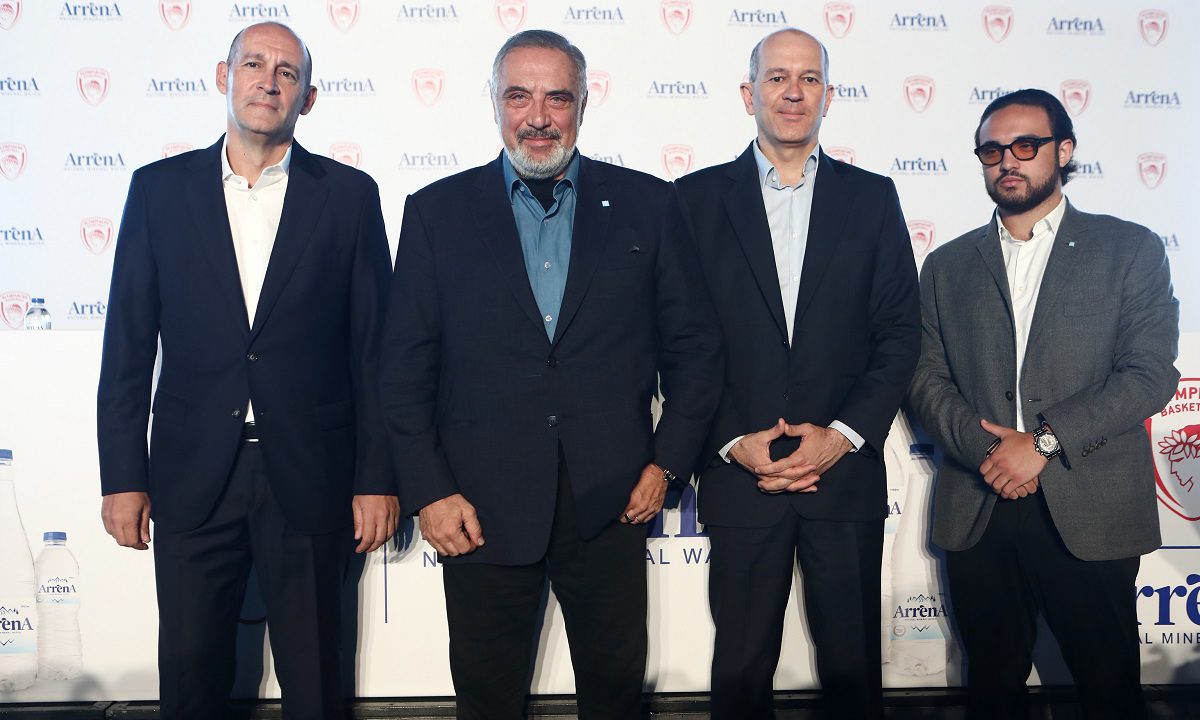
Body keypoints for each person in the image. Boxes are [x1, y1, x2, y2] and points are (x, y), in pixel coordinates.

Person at [379, 29, 722, 720]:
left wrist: (667, 465)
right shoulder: (436, 212)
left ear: (583, 105)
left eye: (557, 98)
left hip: (612, 501)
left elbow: (696, 351)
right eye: (519, 96)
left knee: (615, 695)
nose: (538, 116)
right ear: (494, 104)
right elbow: (404, 367)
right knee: (487, 700)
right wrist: (430, 491)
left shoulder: (650, 206)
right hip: (477, 508)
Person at [96, 22, 398, 719]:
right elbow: (128, 347)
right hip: (193, 474)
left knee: (316, 681)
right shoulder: (158, 191)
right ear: (223, 76)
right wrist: (123, 476)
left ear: (308, 97)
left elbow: (373, 352)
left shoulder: (349, 196)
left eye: (287, 72)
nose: (269, 81)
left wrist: (377, 478)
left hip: (313, 472)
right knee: (190, 678)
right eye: (254, 64)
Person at [669, 28, 920, 720]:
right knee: (740, 670)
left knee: (853, 672)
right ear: (748, 93)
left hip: (843, 476)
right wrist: (730, 439)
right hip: (740, 475)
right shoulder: (692, 201)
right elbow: (677, 341)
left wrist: (841, 436)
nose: (792, 92)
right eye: (777, 77)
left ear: (829, 97)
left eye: (809, 78)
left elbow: (899, 334)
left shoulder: (872, 198)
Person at [907, 88, 1179, 719]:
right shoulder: (947, 265)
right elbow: (923, 377)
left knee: (1109, 691)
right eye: (992, 150)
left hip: (1090, 503)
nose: (1008, 160)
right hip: (980, 503)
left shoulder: (1129, 248)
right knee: (992, 690)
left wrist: (1043, 445)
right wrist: (993, 450)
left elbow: (1148, 375)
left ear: (1064, 151)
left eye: (1026, 146)